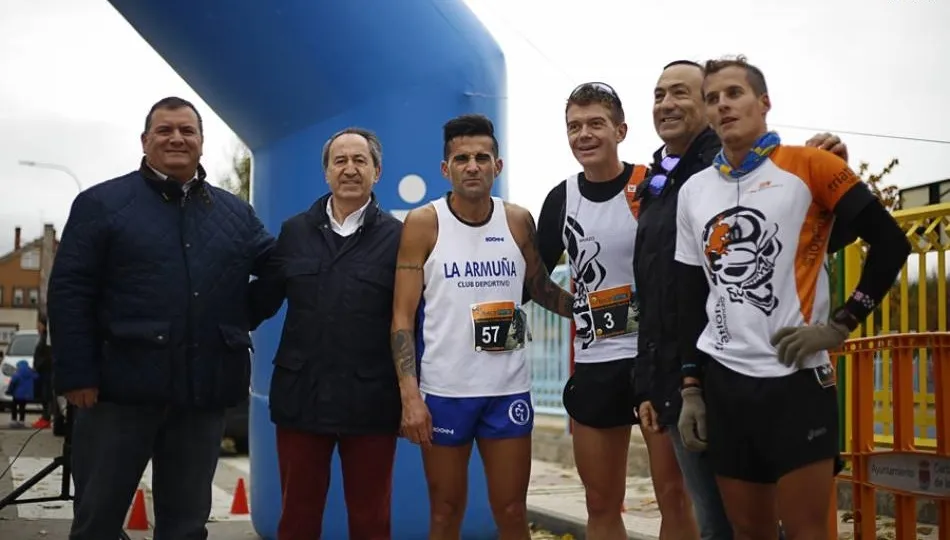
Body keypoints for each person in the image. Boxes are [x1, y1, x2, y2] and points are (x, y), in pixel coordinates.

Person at [673, 55, 910, 540]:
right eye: (712, 99)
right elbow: (689, 294)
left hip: (796, 380)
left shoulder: (812, 165)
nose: (723, 105)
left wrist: (841, 324)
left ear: (764, 102)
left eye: (734, 93)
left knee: (808, 531)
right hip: (726, 382)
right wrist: (691, 387)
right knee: (749, 532)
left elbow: (891, 244)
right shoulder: (694, 190)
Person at [633, 60, 853, 540]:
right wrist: (648, 382)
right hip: (682, 381)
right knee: (714, 521)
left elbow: (812, 242)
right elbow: (660, 289)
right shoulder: (661, 182)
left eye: (683, 93)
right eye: (658, 94)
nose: (667, 103)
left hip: (743, 377)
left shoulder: (748, 166)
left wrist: (829, 182)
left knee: (745, 526)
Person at [47, 96, 275, 540]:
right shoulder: (101, 204)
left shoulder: (236, 214)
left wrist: (240, 317)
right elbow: (70, 290)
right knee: (97, 521)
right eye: (165, 130)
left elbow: (277, 268)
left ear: (202, 142)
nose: (176, 138)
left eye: (187, 131)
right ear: (145, 140)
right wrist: (77, 375)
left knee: (186, 526)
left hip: (201, 395)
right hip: (118, 392)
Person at [391, 114, 573, 540]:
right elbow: (402, 315)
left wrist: (594, 313)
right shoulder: (424, 223)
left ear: (497, 165)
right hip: (445, 392)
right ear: (446, 168)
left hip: (507, 389)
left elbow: (541, 289)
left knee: (511, 510)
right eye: (462, 159)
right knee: (445, 511)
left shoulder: (517, 220)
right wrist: (410, 395)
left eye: (481, 157)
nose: (472, 166)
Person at [535, 81, 696, 540]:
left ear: (620, 130)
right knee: (601, 502)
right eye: (574, 126)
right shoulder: (562, 198)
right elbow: (534, 279)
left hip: (657, 361)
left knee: (674, 496)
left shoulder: (653, 184)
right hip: (596, 364)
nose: (584, 134)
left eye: (595, 124)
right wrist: (577, 309)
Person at [248, 127, 403, 540]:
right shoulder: (294, 232)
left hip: (371, 401)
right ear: (326, 172)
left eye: (360, 161)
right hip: (302, 398)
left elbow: (418, 316)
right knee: (297, 518)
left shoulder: (399, 238)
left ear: (377, 171)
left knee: (372, 520)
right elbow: (258, 303)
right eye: (340, 160)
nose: (350, 169)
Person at [31, 314, 55, 430]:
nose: (38, 327)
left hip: (46, 372)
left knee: (47, 396)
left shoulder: (46, 340)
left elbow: (47, 357)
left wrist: (40, 365)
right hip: (42, 372)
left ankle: (46, 418)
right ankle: (45, 417)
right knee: (43, 396)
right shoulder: (42, 338)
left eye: (39, 325)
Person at [6, 359, 37, 428]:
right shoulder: (31, 373)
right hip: (26, 395)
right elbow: (37, 377)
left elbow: (12, 383)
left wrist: (9, 391)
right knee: (22, 407)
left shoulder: (17, 373)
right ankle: (22, 421)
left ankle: (14, 420)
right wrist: (32, 370)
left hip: (17, 394)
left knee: (14, 407)